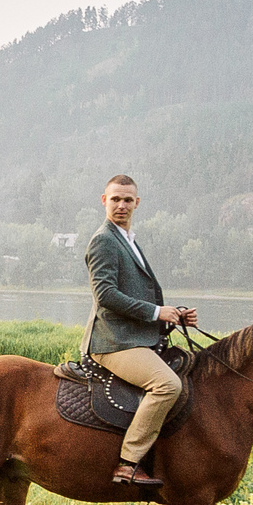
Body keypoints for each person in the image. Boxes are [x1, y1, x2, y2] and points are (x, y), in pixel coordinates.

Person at [85, 173, 196, 488]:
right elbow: (105, 296)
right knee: (167, 385)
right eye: (116, 199)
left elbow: (135, 293)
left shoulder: (128, 240)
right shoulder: (104, 240)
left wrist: (172, 317)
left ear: (137, 203)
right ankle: (128, 463)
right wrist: (157, 311)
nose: (122, 205)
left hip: (133, 336)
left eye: (128, 200)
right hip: (113, 342)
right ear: (104, 201)